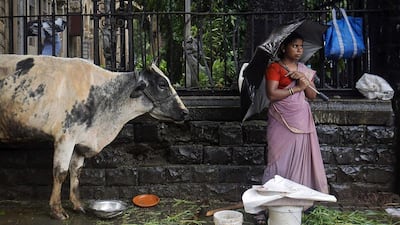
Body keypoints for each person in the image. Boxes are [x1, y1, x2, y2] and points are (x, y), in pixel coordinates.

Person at [254, 32, 329, 224]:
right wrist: (296, 88)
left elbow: (312, 96)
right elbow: (272, 94)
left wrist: (304, 80)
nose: (299, 50)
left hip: (301, 119)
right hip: (281, 120)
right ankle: (265, 207)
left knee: (301, 161)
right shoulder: (275, 68)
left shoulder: (303, 69)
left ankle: (298, 203)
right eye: (295, 46)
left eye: (301, 46)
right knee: (277, 162)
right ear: (284, 48)